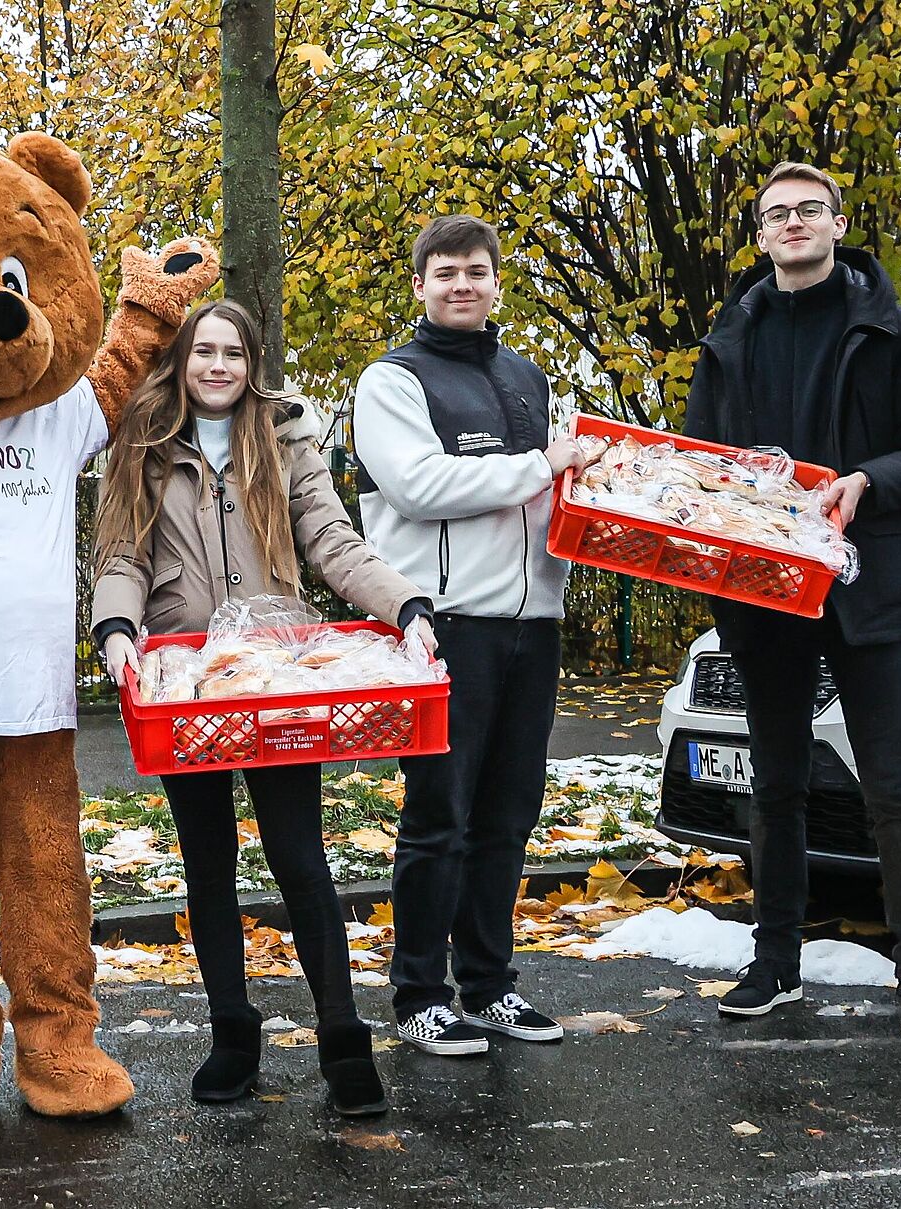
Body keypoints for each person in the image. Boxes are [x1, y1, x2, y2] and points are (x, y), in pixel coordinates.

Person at [91, 299, 436, 1111]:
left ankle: (343, 1037)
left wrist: (406, 605)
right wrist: (114, 626)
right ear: (181, 360)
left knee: (298, 853)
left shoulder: (285, 437)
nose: (218, 367)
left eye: (233, 354)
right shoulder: (143, 442)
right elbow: (120, 551)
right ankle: (230, 1034)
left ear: (252, 364)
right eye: (203, 352)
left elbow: (332, 540)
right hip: (186, 686)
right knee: (207, 861)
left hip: (275, 675)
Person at [684, 162, 901, 1037]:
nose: (794, 223)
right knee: (776, 784)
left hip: (866, 584)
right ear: (762, 236)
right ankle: (775, 965)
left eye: (810, 210)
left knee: (891, 782)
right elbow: (697, 465)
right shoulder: (729, 336)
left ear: (838, 225)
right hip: (765, 591)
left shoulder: (894, 330)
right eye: (777, 214)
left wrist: (867, 483)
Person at [352, 215, 584, 1057]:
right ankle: (417, 991)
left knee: (509, 814)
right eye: (445, 271)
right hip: (447, 624)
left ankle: (488, 985)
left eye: (476, 271)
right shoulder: (391, 380)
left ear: (495, 284)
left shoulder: (527, 377)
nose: (462, 284)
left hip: (534, 625)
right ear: (419, 285)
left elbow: (554, 496)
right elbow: (416, 486)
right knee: (439, 815)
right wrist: (544, 466)